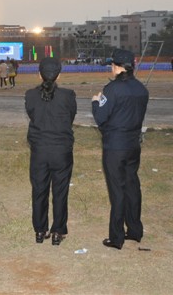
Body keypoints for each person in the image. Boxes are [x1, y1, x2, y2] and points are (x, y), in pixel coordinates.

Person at [91, 48, 149, 250]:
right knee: (132, 186)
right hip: (133, 144)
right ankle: (134, 230)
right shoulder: (141, 89)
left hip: (115, 146)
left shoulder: (112, 89)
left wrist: (95, 103)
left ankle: (116, 237)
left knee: (117, 190)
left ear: (116, 67)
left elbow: (101, 117)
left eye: (112, 65)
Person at [24, 57, 77, 246]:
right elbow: (70, 117)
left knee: (39, 190)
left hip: (39, 150)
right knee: (60, 192)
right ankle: (58, 231)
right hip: (61, 150)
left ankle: (40, 230)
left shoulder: (30, 95)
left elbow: (33, 114)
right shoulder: (68, 95)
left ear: (39, 75)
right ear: (59, 75)